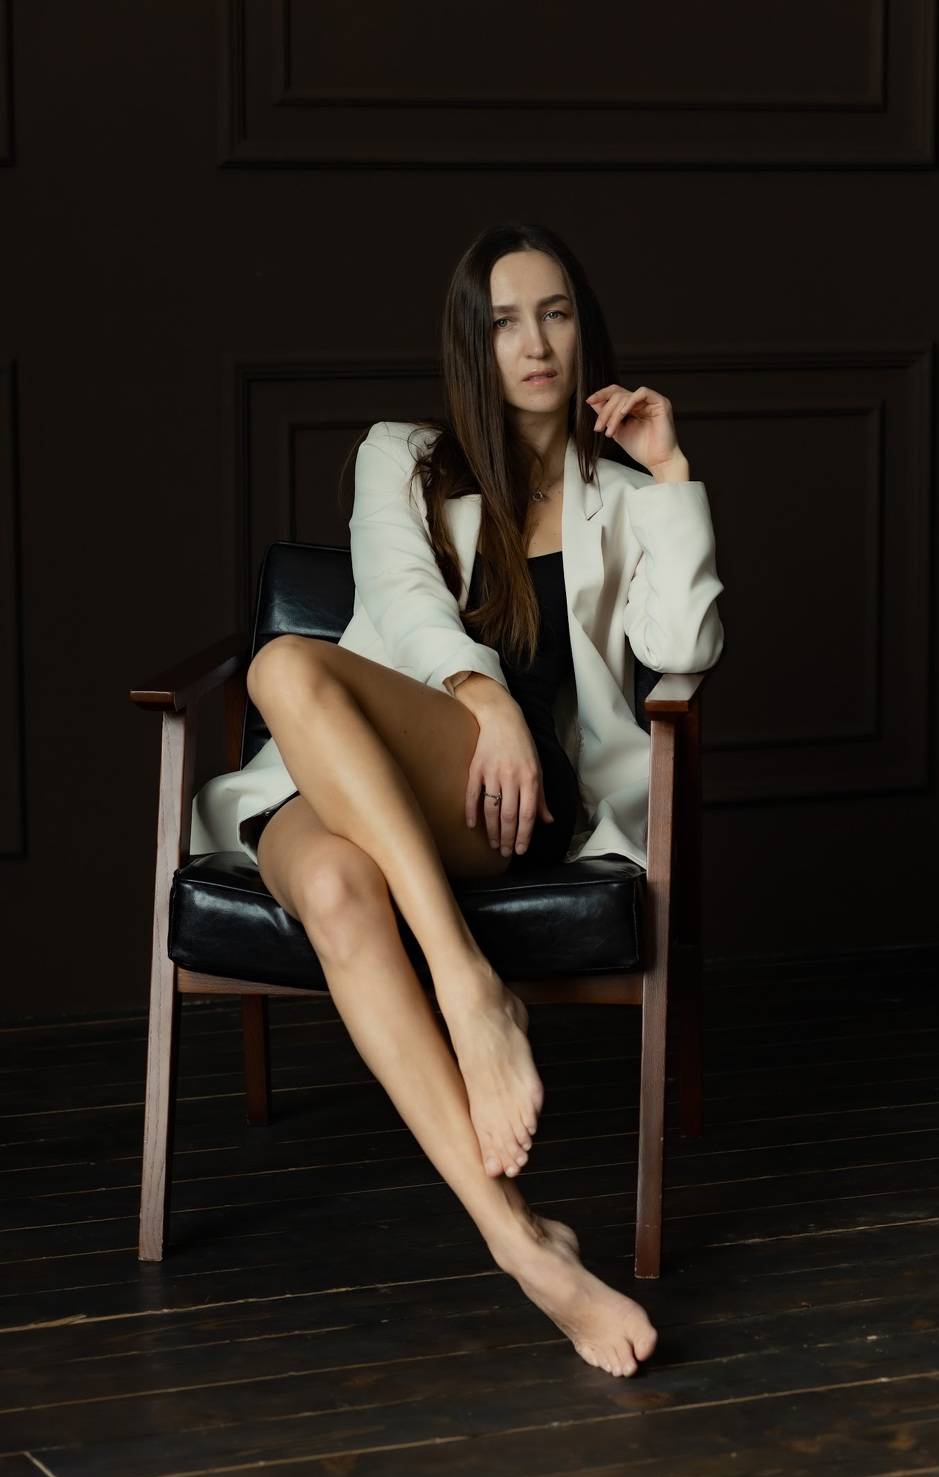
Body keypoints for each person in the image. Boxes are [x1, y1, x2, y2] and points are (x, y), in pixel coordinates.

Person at [190, 222, 725, 1378]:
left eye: (555, 315)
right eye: (503, 322)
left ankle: (468, 991)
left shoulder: (620, 495)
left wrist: (672, 476)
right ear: (468, 344)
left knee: (283, 671)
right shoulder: (402, 457)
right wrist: (482, 698)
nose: (533, 345)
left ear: (584, 331)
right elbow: (398, 595)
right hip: (356, 777)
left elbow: (683, 649)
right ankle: (522, 1241)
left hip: (514, 806)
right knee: (331, 869)